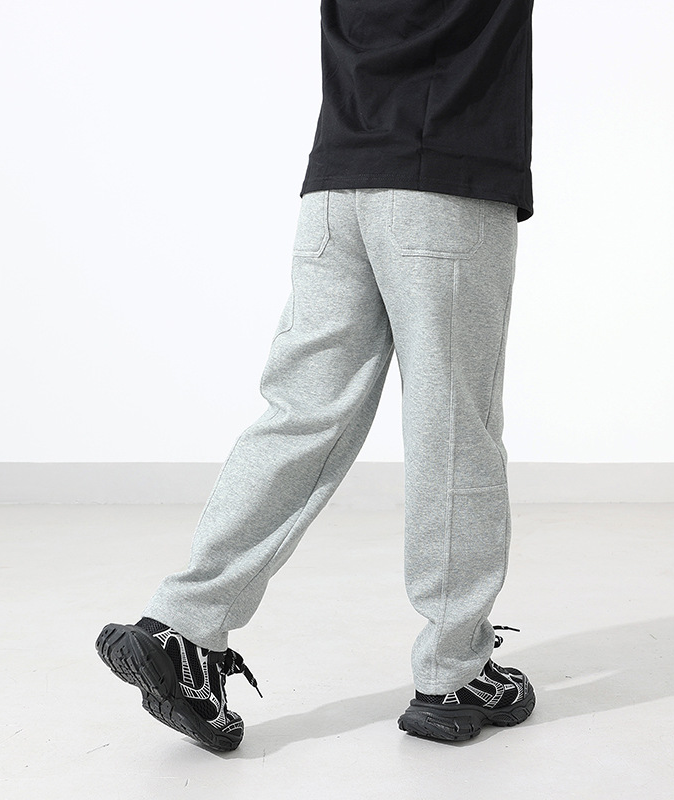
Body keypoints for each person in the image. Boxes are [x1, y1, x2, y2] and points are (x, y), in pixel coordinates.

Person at [96, 0, 536, 749]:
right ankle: (454, 671)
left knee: (301, 414)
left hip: (337, 187)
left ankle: (183, 625)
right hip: (446, 184)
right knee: (453, 427)